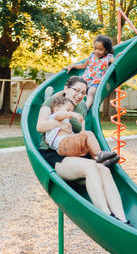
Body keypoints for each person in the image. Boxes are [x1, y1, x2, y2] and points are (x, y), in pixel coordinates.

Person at [37, 76, 130, 225]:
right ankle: (107, 218)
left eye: (83, 92)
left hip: (74, 150)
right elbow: (40, 126)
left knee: (103, 169)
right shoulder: (53, 103)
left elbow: (82, 132)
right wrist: (58, 124)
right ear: (66, 88)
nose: (80, 95)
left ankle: (123, 220)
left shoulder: (81, 108)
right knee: (91, 167)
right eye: (77, 90)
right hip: (54, 153)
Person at [45, 96, 118, 167]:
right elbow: (59, 116)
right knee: (88, 134)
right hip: (63, 145)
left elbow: (47, 141)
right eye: (68, 110)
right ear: (56, 109)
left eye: (71, 111)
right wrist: (72, 114)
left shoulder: (59, 125)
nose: (70, 112)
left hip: (64, 149)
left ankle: (101, 161)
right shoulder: (54, 117)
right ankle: (99, 154)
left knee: (87, 144)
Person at [63, 35, 117, 110]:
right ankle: (67, 105)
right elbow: (83, 65)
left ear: (106, 50)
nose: (97, 51)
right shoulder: (92, 55)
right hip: (85, 81)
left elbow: (115, 63)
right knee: (75, 90)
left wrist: (117, 58)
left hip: (96, 82)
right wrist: (72, 66)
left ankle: (86, 108)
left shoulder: (108, 57)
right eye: (95, 48)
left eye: (100, 49)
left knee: (91, 92)